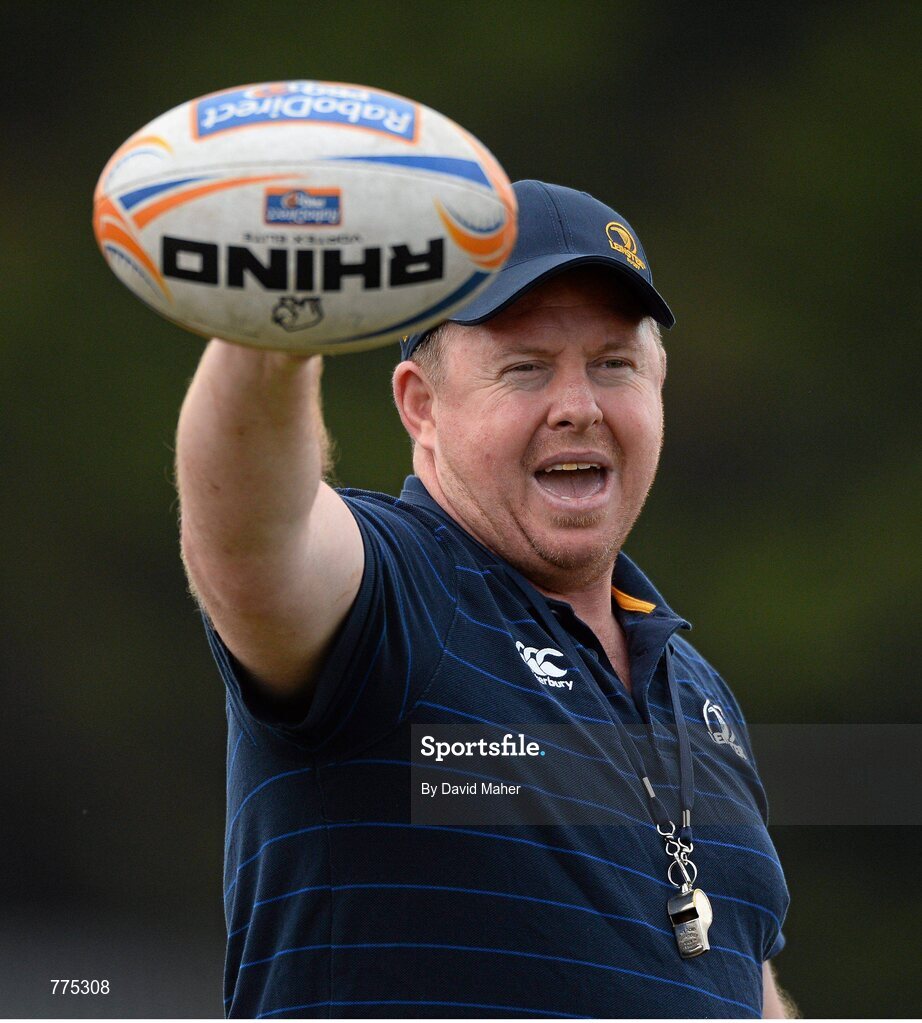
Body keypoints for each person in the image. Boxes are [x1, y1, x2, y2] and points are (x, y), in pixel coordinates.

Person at [176, 179, 793, 1018]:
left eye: (613, 365)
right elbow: (250, 536)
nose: (578, 407)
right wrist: (276, 324)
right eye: (525, 368)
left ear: (658, 388)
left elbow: (740, 983)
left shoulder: (698, 692)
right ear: (421, 407)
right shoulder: (398, 594)